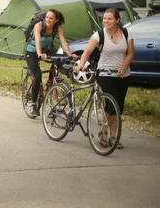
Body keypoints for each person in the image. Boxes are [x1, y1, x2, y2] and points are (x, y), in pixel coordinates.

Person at [74, 8, 134, 149]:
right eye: (104, 18)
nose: (106, 21)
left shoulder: (126, 33)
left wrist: (124, 67)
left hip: (123, 74)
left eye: (109, 19)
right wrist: (81, 65)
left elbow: (130, 53)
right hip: (105, 74)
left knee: (118, 106)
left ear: (117, 20)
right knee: (112, 103)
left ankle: (107, 133)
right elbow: (87, 51)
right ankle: (111, 136)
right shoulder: (99, 35)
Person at [25, 9, 78, 116]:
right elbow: (38, 40)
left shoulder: (57, 28)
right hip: (32, 51)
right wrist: (39, 54)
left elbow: (63, 42)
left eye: (51, 18)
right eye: (47, 17)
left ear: (56, 20)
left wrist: (70, 55)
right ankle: (34, 105)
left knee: (59, 62)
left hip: (47, 50)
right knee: (38, 76)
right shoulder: (39, 26)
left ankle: (50, 82)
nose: (48, 20)